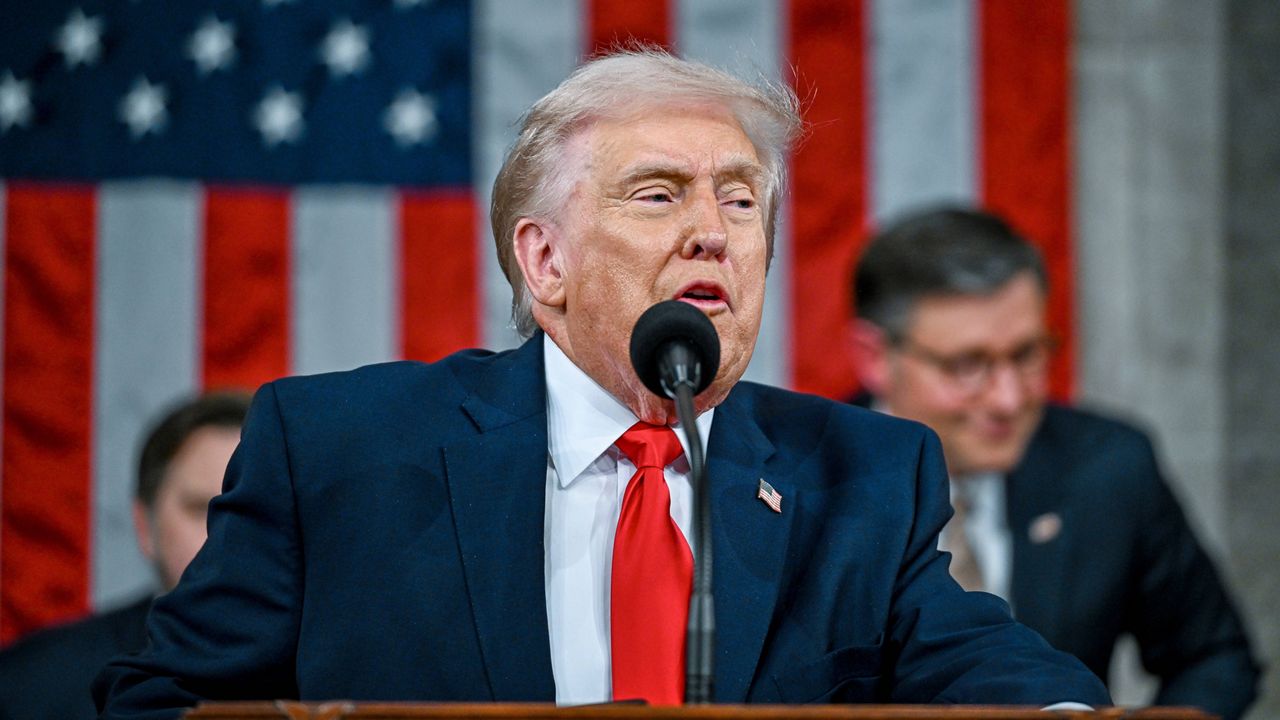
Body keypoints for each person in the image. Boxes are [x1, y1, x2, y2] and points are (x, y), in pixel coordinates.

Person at [95, 50, 1109, 716]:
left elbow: (982, 667)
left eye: (741, 199)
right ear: (544, 263)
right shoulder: (340, 450)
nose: (712, 228)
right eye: (657, 193)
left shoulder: (861, 472)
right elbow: (164, 700)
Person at [847, 207, 1261, 720]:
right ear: (873, 357)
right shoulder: (806, 478)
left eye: (1026, 355)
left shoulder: (1107, 467)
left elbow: (1214, 657)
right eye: (967, 365)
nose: (1007, 399)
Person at [0, 392, 250, 720]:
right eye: (202, 507)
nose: (228, 535)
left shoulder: (337, 677)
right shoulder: (31, 687)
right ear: (145, 525)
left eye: (255, 512)